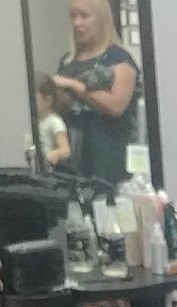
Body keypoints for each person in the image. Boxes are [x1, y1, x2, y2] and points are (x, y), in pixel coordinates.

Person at [49, 0, 139, 190]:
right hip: (71, 158)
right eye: (73, 16)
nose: (77, 23)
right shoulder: (67, 61)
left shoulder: (119, 59)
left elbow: (116, 106)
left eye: (84, 16)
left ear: (101, 19)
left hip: (107, 158)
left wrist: (75, 86)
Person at [33, 75, 72, 170]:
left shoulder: (54, 121)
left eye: (33, 100)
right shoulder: (33, 121)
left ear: (48, 100)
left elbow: (65, 150)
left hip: (46, 171)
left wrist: (53, 155)